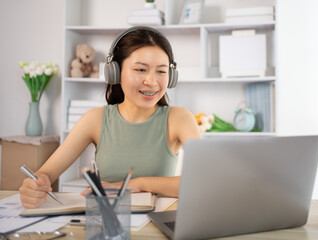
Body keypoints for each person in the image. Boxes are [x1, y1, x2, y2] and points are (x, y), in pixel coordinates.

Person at [19, 26, 201, 209]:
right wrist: (37, 184)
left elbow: (203, 180)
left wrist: (138, 184)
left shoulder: (179, 118)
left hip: (157, 222)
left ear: (171, 77)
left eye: (161, 71)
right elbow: (46, 173)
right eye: (140, 69)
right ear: (115, 72)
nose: (152, 81)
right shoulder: (95, 119)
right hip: (107, 221)